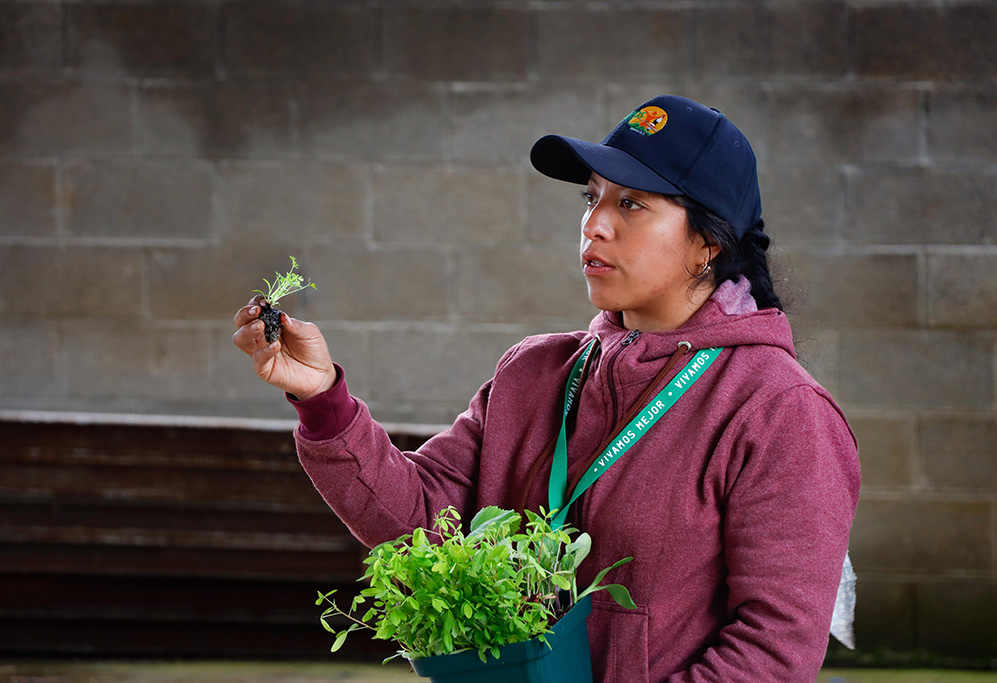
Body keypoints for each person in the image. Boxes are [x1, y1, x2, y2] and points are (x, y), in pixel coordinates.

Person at [233, 95, 860, 682]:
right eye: (591, 198)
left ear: (707, 243)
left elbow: (773, 650)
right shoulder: (534, 374)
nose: (594, 225)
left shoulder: (778, 411)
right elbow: (424, 525)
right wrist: (323, 401)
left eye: (632, 204)